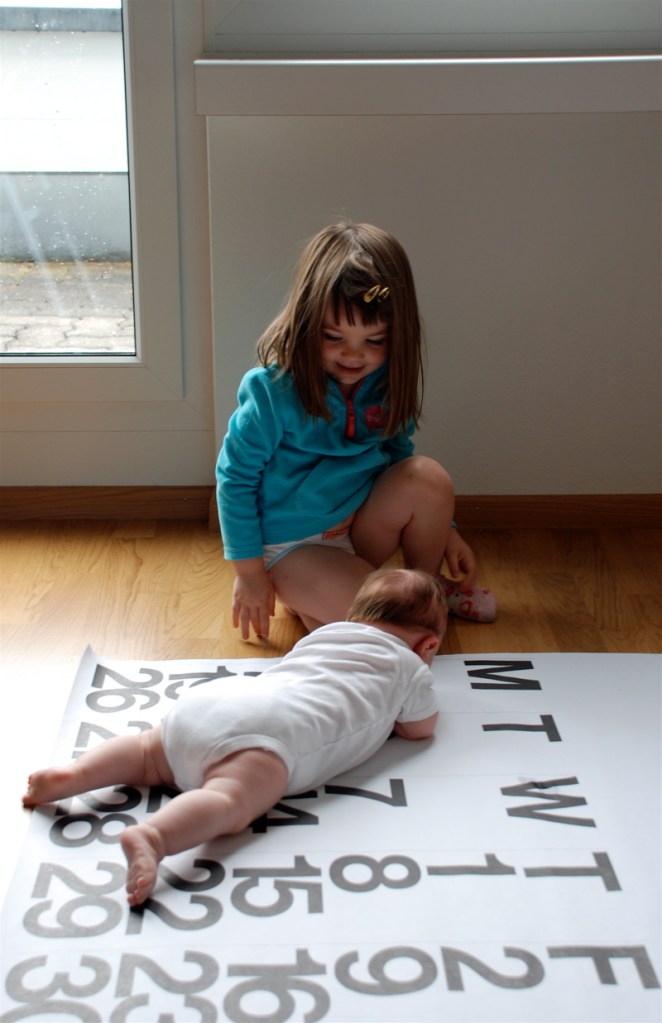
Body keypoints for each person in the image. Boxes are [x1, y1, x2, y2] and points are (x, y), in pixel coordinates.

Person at [23, 568, 445, 907]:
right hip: (268, 734)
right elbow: (418, 729)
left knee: (147, 750)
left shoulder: (326, 633)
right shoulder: (409, 667)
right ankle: (155, 837)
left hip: (216, 703)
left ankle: (74, 776)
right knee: (230, 798)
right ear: (427, 645)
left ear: (355, 618)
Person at [216, 220, 495, 640]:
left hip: (357, 529)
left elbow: (398, 460)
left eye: (375, 340)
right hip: (292, 547)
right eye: (333, 336)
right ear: (307, 323)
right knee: (387, 632)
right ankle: (352, 601)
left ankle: (428, 589)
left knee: (426, 476)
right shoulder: (271, 391)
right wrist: (250, 573)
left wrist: (446, 532)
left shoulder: (385, 383)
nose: (353, 355)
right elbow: (235, 480)